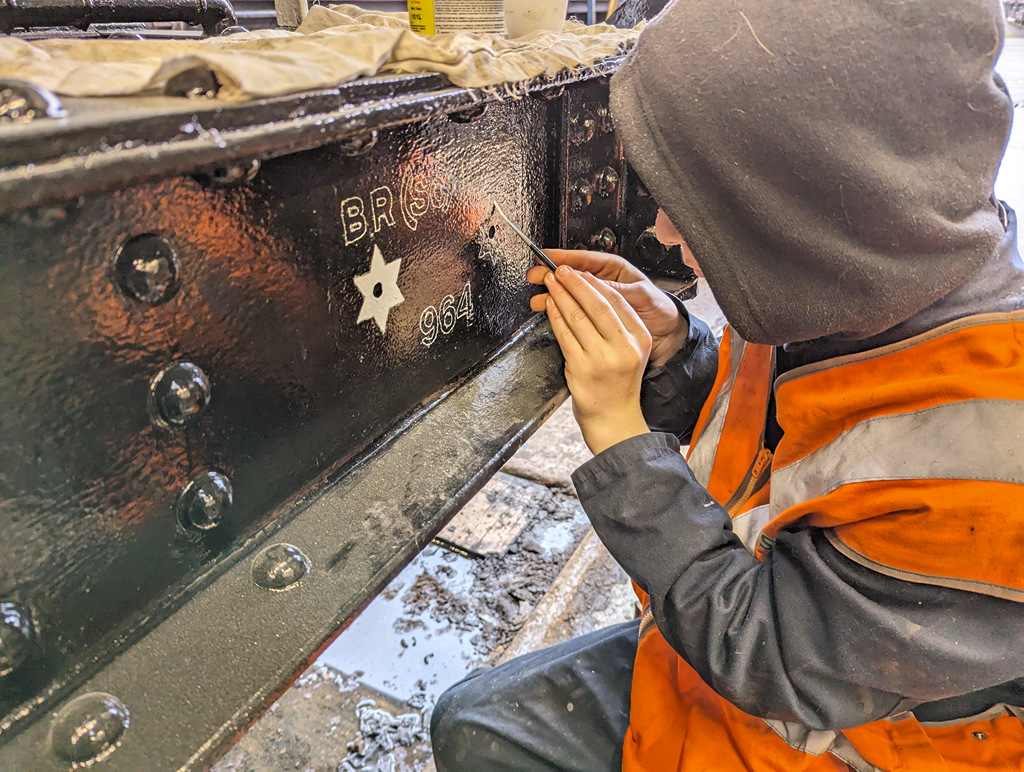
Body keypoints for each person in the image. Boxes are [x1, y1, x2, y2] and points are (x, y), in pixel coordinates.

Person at [430, 0, 1024, 769]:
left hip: (843, 734)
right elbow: (796, 442)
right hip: (760, 631)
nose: (663, 231)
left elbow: (773, 661)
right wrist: (677, 353)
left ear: (797, 207)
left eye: (692, 203)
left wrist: (619, 438)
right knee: (475, 720)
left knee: (481, 735)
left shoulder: (996, 466)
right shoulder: (853, 279)